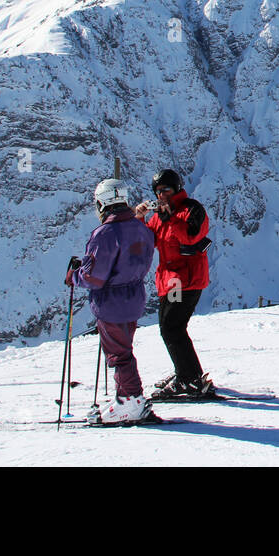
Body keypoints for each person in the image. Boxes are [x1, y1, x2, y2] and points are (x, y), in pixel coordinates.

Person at [67, 178, 156, 424]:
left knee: (119, 354)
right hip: (134, 299)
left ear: (102, 203)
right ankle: (127, 397)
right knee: (124, 349)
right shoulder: (142, 229)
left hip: (111, 303)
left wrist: (74, 276)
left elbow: (94, 277)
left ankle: (131, 400)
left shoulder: (105, 234)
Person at [135, 169, 214, 399]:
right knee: (171, 328)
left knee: (171, 327)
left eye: (166, 190)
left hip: (184, 280)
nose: (162, 195)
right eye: (158, 192)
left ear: (176, 188)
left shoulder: (191, 209)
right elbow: (145, 242)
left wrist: (170, 218)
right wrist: (140, 218)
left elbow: (192, 236)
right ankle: (187, 374)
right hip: (169, 280)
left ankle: (189, 379)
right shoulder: (158, 216)